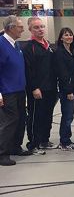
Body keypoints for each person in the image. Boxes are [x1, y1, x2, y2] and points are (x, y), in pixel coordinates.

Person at [23, 17, 58, 153]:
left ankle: (44, 140)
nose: (40, 29)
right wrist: (34, 87)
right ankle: (33, 144)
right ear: (30, 29)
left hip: (51, 88)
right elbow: (28, 70)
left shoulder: (49, 46)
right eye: (36, 27)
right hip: (37, 90)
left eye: (42, 26)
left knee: (47, 115)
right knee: (35, 117)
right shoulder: (28, 47)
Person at [0, 16, 30, 166]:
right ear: (11, 28)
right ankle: (2, 153)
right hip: (7, 91)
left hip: (19, 89)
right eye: (20, 26)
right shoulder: (1, 44)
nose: (22, 29)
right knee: (9, 121)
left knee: (20, 119)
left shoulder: (15, 45)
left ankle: (15, 146)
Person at [54, 27, 74, 151]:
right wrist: (69, 91)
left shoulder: (71, 52)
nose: (69, 37)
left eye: (70, 34)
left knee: (69, 116)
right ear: (61, 38)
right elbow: (63, 74)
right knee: (67, 116)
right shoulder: (59, 53)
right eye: (66, 35)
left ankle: (67, 139)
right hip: (67, 91)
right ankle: (64, 141)